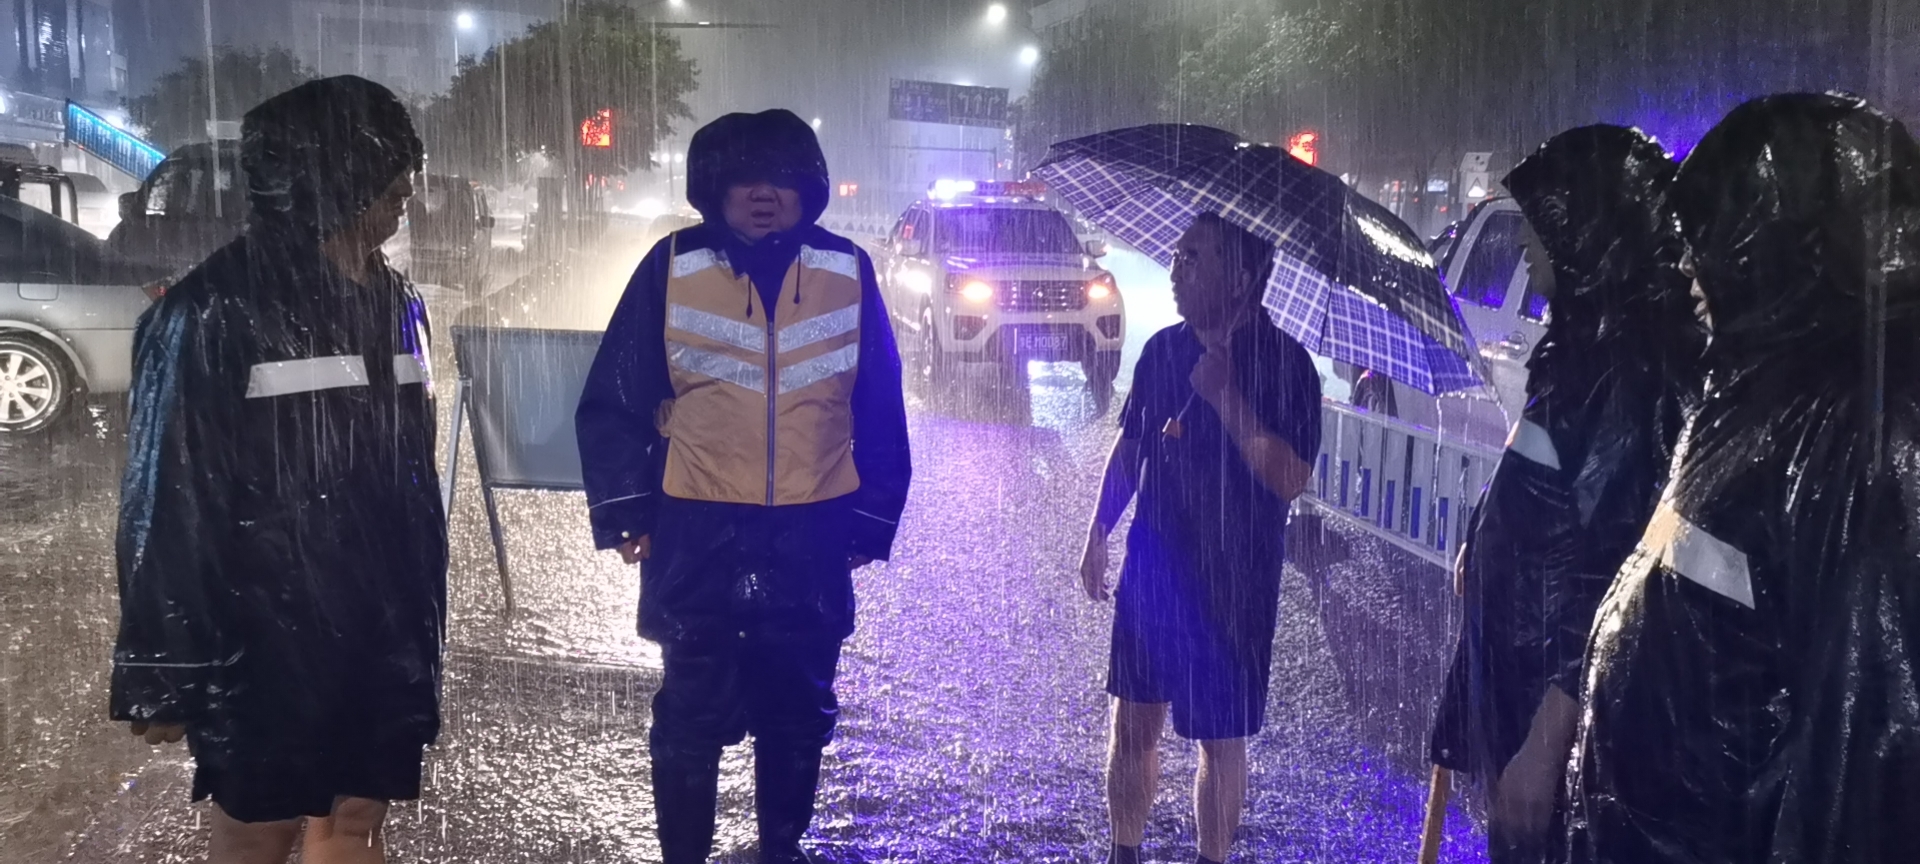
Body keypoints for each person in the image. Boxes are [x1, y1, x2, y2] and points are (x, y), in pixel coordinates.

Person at [1565, 93, 1920, 863]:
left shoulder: (1856, 433)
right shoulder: (1749, 398)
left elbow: (1866, 755)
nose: (1687, 264)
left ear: (1777, 244)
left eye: (1710, 235)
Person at [109, 76, 444, 864]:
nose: (405, 187)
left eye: (404, 167)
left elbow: (413, 476)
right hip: (265, 633)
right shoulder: (211, 310)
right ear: (329, 177)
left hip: (384, 622)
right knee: (258, 829)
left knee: (356, 818)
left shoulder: (398, 302)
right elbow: (169, 495)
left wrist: (419, 613)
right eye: (386, 169)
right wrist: (166, 664)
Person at [575, 108, 910, 864]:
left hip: (811, 528)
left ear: (808, 188)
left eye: (782, 179)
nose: (764, 194)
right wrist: (626, 509)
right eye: (746, 178)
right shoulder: (671, 265)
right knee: (690, 714)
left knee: (797, 712)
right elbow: (615, 397)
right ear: (714, 187)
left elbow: (879, 403)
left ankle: (781, 849)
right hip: (697, 528)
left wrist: (871, 518)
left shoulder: (847, 269)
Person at [1424, 125, 1702, 862]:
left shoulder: (1626, 372)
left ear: (1589, 237)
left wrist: (1549, 739)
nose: (1524, 246)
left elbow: (1617, 565)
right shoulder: (1579, 350)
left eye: (1540, 227)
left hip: (1550, 696)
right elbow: (1546, 482)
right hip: (1520, 668)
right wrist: (1483, 536)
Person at [1077, 212, 1321, 864]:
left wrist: (1225, 398)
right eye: (1177, 255)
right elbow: (1132, 447)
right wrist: (1099, 529)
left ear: (1240, 277)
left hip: (1237, 580)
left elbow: (1289, 477)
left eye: (1194, 258)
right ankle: (1123, 852)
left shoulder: (1288, 366)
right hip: (1154, 566)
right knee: (1134, 721)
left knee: (1221, 738)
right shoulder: (1163, 350)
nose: (1176, 269)